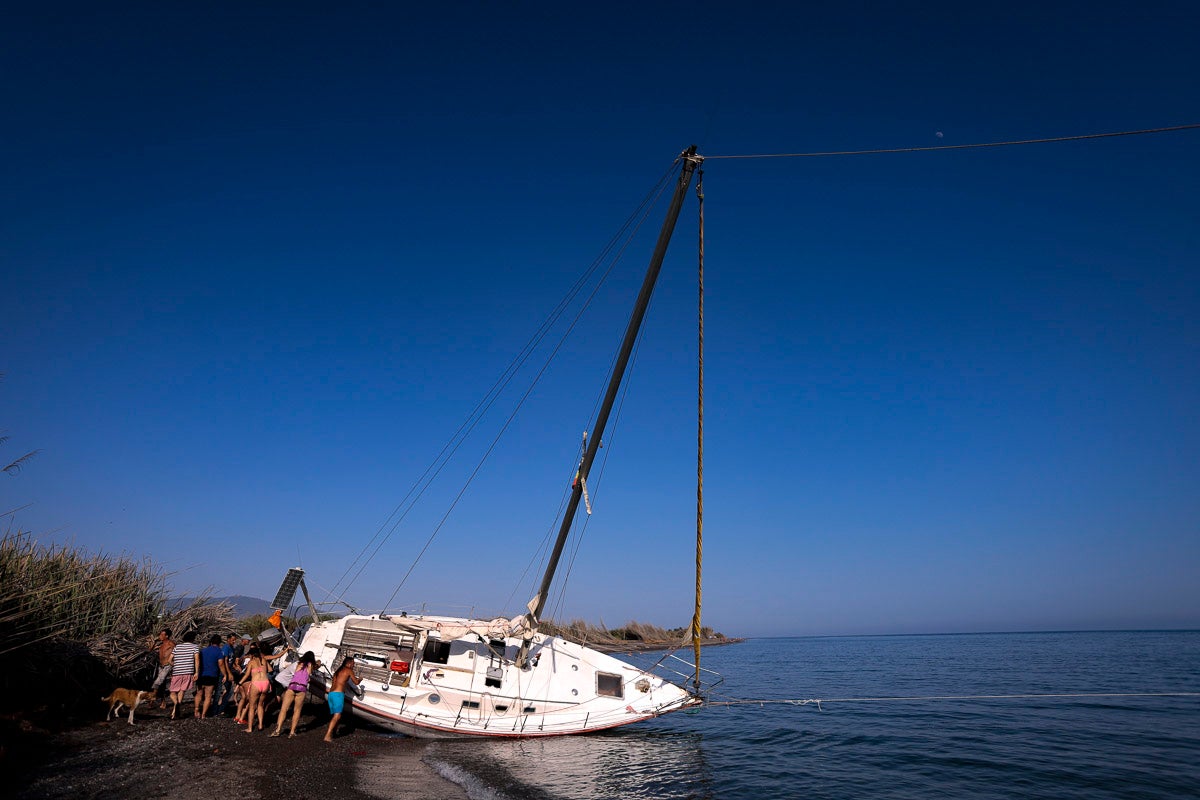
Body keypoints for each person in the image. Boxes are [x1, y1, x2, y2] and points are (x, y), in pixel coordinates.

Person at [238, 643, 288, 732]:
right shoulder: (264, 660)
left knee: (252, 707)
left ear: (252, 655)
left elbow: (246, 675)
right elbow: (277, 656)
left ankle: (250, 728)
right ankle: (260, 725)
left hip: (256, 684)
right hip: (265, 684)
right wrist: (286, 649)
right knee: (261, 705)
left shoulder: (251, 663)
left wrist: (239, 683)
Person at [271, 651, 318, 738]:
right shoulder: (311, 666)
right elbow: (315, 667)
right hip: (301, 688)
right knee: (297, 711)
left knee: (283, 709)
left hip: (292, 686)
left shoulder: (298, 663)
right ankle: (292, 732)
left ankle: (277, 730)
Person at [323, 655, 360, 742]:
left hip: (331, 694)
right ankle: (327, 735)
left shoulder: (338, 671)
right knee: (337, 715)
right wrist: (360, 679)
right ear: (349, 663)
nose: (353, 665)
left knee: (337, 715)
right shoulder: (348, 670)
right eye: (353, 663)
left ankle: (334, 732)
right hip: (338, 694)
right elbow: (356, 682)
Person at [195, 635, 230, 719]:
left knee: (199, 693)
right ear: (219, 642)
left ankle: (196, 709)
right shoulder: (219, 651)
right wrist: (225, 674)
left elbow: (198, 661)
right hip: (212, 675)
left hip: (202, 674)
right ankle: (203, 714)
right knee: (208, 696)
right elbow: (221, 664)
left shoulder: (203, 650)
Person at [168, 630, 200, 720]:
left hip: (177, 672)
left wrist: (175, 665)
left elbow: (169, 660)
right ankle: (176, 709)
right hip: (188, 672)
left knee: (172, 692)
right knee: (182, 691)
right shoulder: (195, 647)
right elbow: (197, 660)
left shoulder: (177, 647)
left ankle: (175, 706)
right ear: (193, 639)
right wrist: (196, 672)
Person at [148, 628, 175, 708]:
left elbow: (176, 653)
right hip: (161, 666)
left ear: (166, 636)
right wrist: (154, 643)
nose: (160, 636)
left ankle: (152, 700)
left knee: (157, 682)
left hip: (167, 665)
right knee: (162, 684)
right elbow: (149, 651)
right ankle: (163, 702)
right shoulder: (161, 645)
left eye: (161, 635)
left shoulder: (171, 644)